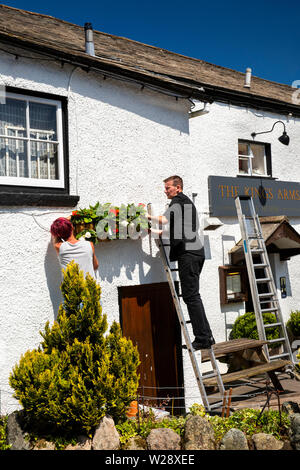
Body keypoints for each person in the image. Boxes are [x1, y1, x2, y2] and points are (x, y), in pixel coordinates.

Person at [147, 175, 214, 350]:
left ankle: (202, 338)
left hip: (188, 255)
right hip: (196, 253)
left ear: (178, 187)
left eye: (168, 187)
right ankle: (207, 336)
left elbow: (164, 220)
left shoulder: (178, 200)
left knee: (191, 296)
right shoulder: (186, 203)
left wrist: (146, 216)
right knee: (194, 296)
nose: (165, 191)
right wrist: (154, 231)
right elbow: (174, 230)